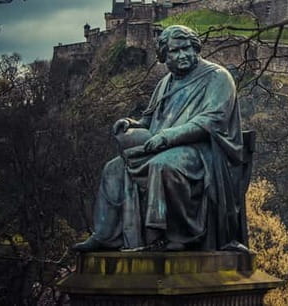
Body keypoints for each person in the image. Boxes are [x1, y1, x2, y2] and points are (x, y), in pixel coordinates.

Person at [73, 25, 246, 252]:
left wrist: (167, 137)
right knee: (113, 169)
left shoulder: (217, 77)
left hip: (203, 153)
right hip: (165, 147)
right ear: (164, 56)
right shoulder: (165, 83)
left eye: (186, 48)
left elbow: (212, 120)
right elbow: (150, 119)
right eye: (174, 51)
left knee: (162, 166)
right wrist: (133, 125)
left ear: (196, 48)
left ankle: (181, 236)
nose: (182, 55)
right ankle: (106, 235)